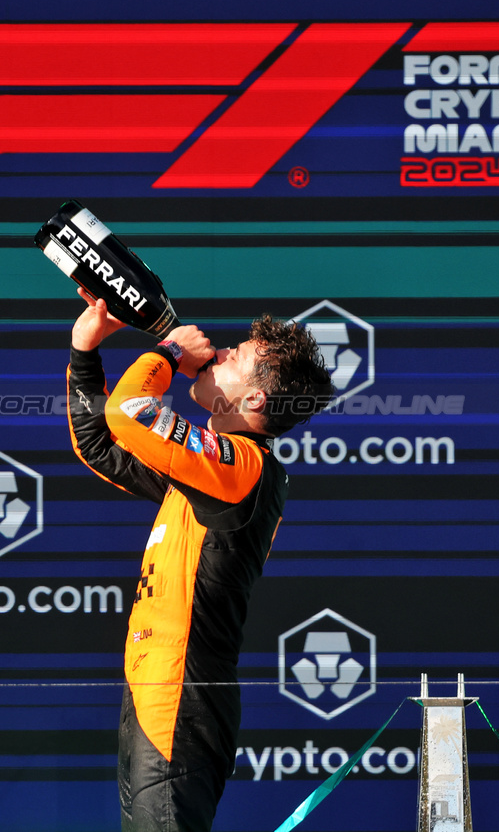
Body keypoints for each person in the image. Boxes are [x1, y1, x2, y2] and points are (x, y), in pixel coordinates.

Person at [67, 289, 334, 832]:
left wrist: (167, 351)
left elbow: (131, 413)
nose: (219, 354)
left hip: (182, 687)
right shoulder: (209, 470)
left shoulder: (241, 466)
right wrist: (84, 352)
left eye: (235, 356)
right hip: (157, 685)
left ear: (255, 401)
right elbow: (99, 443)